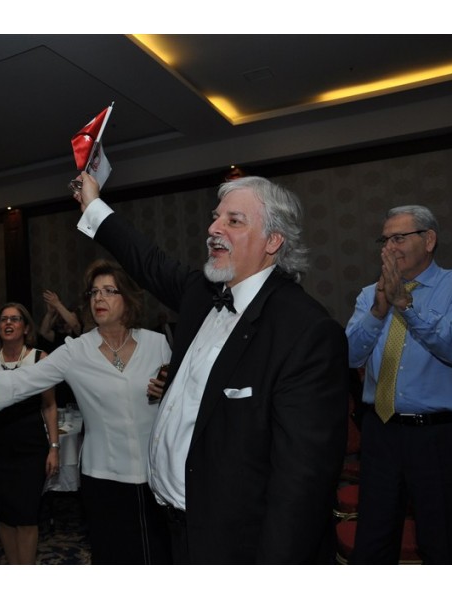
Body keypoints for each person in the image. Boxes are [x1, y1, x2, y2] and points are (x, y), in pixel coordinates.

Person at [73, 171, 348, 564]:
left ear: (273, 241)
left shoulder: (305, 331)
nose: (214, 229)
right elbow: (147, 260)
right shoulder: (202, 293)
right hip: (173, 526)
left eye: (234, 221)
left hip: (236, 544)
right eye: (216, 217)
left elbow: (302, 485)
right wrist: (93, 204)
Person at [0, 259, 172, 564]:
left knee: (158, 557)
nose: (99, 298)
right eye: (94, 292)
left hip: (155, 473)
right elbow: (18, 381)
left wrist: (169, 388)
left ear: (128, 298)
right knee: (113, 557)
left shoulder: (157, 344)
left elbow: (185, 395)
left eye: (109, 291)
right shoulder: (75, 351)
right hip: (102, 474)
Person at [345, 205, 452, 564]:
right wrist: (379, 311)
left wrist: (407, 306)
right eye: (385, 240)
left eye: (399, 238)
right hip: (380, 431)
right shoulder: (369, 294)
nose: (389, 247)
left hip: (439, 436)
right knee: (373, 540)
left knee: (444, 542)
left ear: (428, 240)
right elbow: (348, 356)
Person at [0, 303, 59, 564]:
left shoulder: (40, 359)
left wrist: (54, 448)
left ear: (25, 328)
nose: (8, 323)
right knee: (4, 514)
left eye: (15, 319)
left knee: (26, 515)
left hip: (30, 447)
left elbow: (49, 405)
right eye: (3, 319)